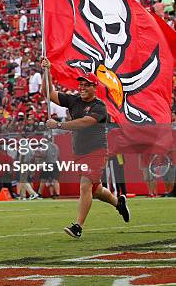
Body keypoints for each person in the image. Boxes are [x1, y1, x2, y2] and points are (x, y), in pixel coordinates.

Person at [41, 57, 130, 238]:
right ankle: (118, 203)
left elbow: (84, 123)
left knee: (85, 187)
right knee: (95, 189)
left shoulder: (99, 106)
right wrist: (46, 71)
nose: (81, 87)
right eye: (80, 84)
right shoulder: (74, 101)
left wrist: (58, 126)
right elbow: (48, 93)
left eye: (86, 85)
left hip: (96, 151)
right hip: (80, 152)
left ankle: (78, 226)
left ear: (94, 87)